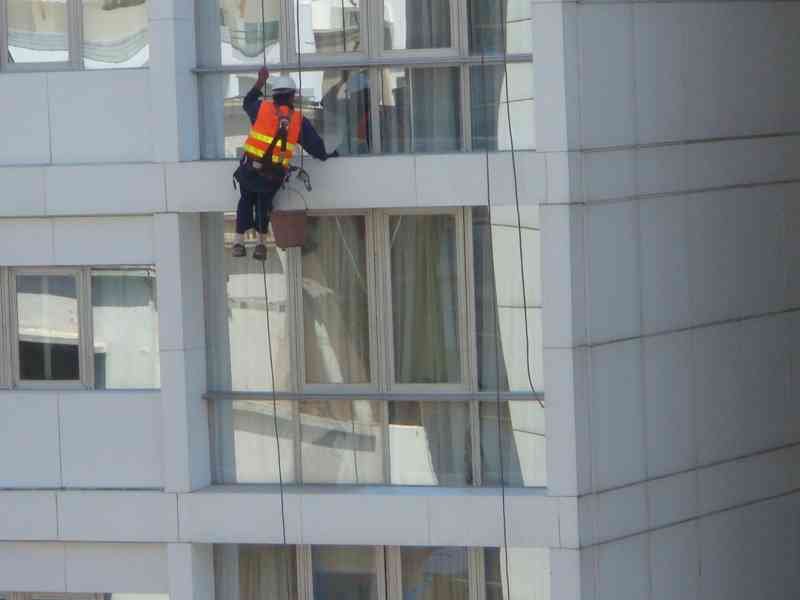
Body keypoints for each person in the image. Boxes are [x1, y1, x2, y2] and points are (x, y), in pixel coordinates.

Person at [233, 66, 336, 260]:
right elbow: (315, 147)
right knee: (264, 203)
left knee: (246, 200)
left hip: (249, 169)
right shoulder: (297, 121)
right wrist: (328, 155)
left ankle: (238, 241)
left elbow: (247, 102)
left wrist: (260, 81)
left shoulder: (261, 109)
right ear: (292, 96)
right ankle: (261, 244)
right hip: (271, 176)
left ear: (274, 95)